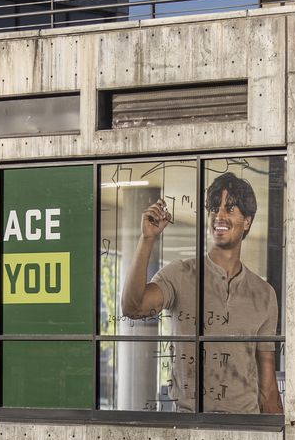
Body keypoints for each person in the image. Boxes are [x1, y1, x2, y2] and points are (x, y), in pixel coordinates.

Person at [120, 172, 282, 414]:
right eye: (214, 208)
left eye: (230, 209)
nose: (220, 216)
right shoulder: (179, 274)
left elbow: (267, 388)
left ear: (247, 221)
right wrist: (147, 239)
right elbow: (133, 307)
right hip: (190, 427)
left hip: (248, 431)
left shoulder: (264, 294)